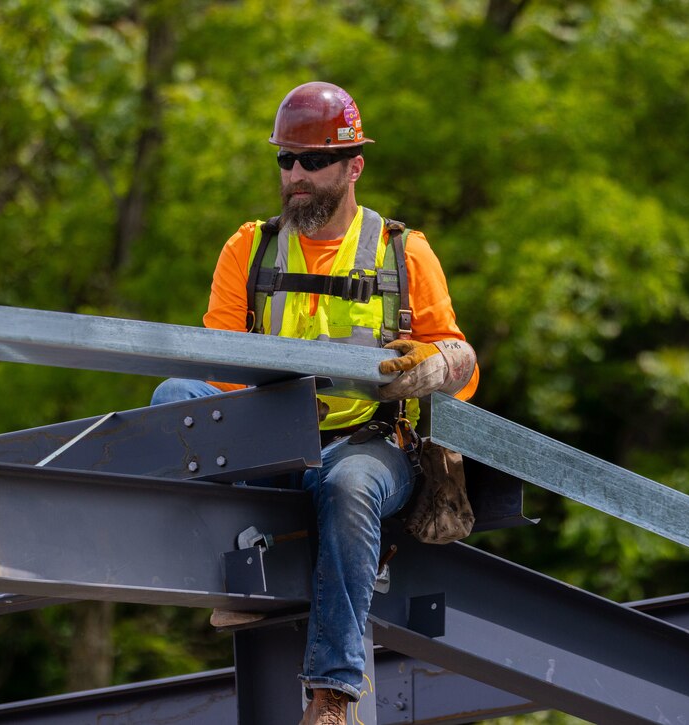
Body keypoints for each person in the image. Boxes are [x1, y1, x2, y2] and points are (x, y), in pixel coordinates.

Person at [151, 81, 478, 725]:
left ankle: (332, 693)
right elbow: (216, 378)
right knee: (173, 401)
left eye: (313, 161)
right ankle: (237, 573)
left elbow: (461, 364)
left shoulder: (401, 254)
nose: (296, 176)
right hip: (270, 440)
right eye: (286, 161)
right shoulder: (250, 249)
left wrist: (433, 368)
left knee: (351, 486)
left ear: (353, 165)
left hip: (367, 444)